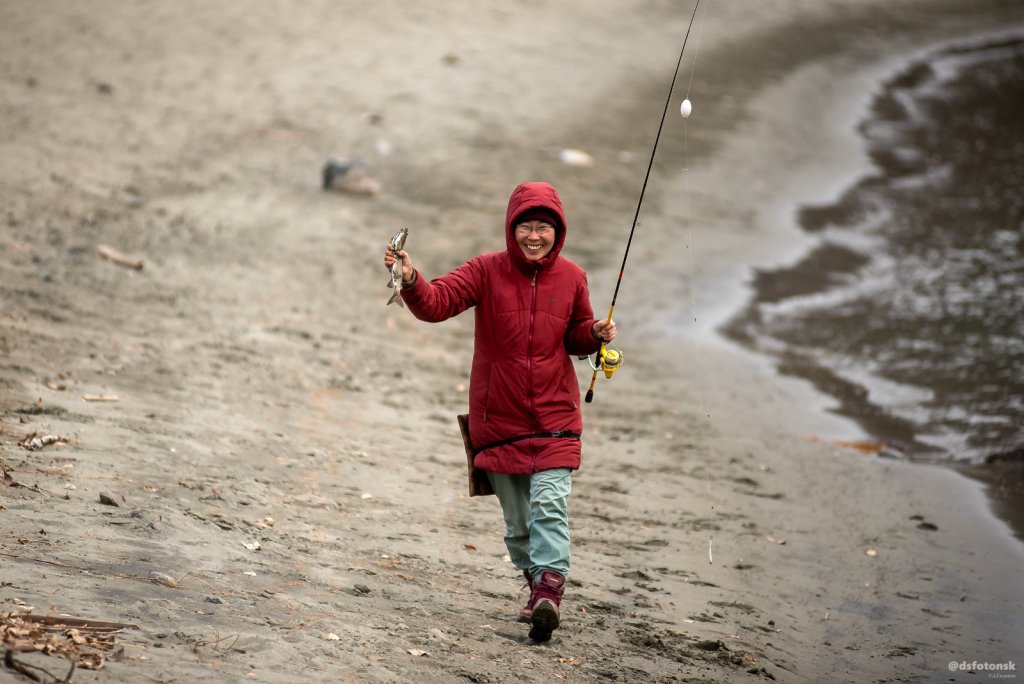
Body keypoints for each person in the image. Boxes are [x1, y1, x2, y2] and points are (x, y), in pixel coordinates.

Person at [383, 181, 616, 642]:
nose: (534, 236)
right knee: (518, 525)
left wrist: (594, 333)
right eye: (526, 226)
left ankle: (550, 589)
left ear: (558, 231)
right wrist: (410, 279)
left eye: (544, 228)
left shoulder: (573, 276)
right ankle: (537, 589)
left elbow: (574, 337)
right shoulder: (485, 270)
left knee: (550, 507)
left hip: (555, 418)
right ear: (512, 229)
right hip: (499, 421)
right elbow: (436, 303)